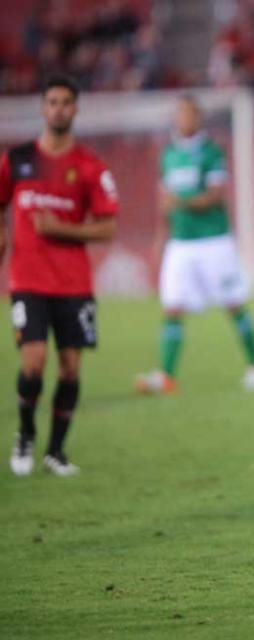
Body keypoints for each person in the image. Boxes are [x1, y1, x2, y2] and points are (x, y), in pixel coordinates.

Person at [1, 74, 119, 476]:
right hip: (27, 280)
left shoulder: (90, 167)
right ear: (42, 107)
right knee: (33, 362)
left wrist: (61, 229)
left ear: (76, 108)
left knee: (70, 368)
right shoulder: (16, 160)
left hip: (73, 284)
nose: (58, 108)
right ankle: (26, 435)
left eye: (66, 102)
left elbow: (107, 227)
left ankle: (56, 451)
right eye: (52, 101)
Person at [135, 95, 254, 394]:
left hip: (213, 241)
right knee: (172, 308)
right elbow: (164, 201)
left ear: (198, 118)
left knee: (234, 304)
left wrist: (179, 201)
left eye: (189, 114)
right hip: (180, 244)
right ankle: (166, 376)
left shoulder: (210, 152)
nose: (183, 119)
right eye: (179, 114)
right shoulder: (167, 154)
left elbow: (215, 195)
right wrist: (161, 236)